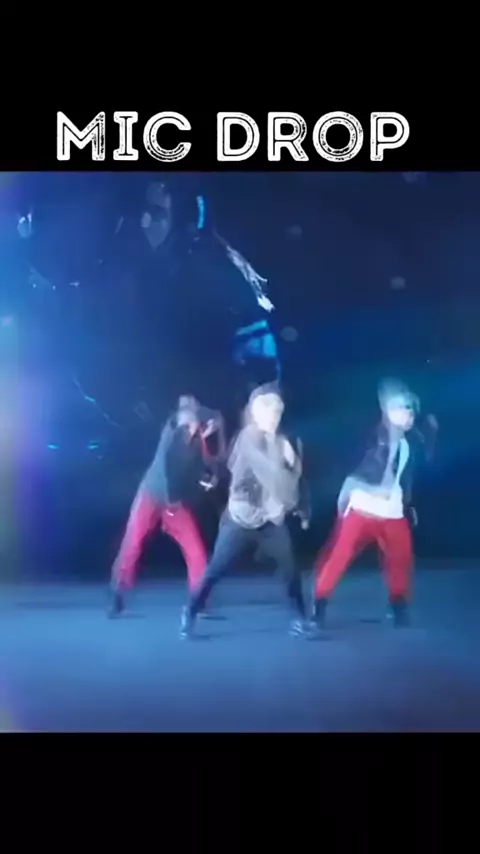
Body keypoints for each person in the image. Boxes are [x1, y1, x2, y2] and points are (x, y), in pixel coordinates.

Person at [179, 383, 310, 639]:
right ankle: (190, 611)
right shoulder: (248, 439)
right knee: (215, 570)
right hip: (240, 520)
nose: (273, 417)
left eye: (277, 412)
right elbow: (269, 474)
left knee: (290, 568)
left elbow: (296, 481)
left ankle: (300, 617)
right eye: (268, 411)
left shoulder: (280, 441)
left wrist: (300, 501)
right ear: (256, 413)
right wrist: (287, 469)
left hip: (269, 521)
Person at [311, 379, 438, 631]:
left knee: (400, 558)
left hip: (392, 512)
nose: (408, 413)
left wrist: (407, 505)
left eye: (410, 408)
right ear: (387, 410)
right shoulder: (373, 437)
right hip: (363, 510)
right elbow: (353, 475)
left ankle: (398, 606)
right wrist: (347, 500)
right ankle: (318, 606)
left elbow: (411, 474)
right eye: (401, 407)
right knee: (339, 557)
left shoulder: (409, 442)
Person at [108, 397, 225, 617]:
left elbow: (201, 466)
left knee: (194, 547)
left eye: (195, 424)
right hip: (152, 495)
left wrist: (207, 479)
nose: (192, 430)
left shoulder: (197, 439)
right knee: (133, 540)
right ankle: (117, 593)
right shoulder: (171, 433)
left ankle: (199, 598)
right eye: (188, 424)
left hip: (174, 502)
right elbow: (171, 471)